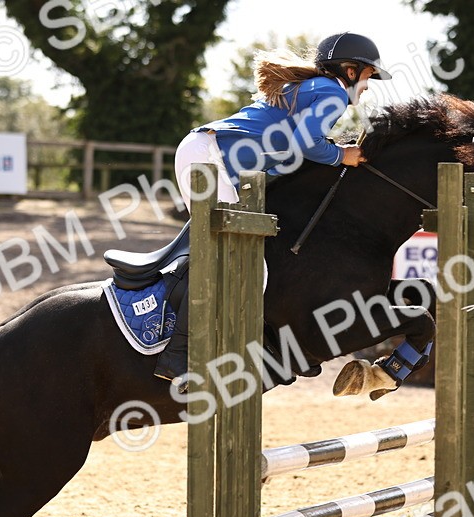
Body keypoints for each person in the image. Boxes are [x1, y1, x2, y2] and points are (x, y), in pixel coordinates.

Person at [157, 32, 391, 385]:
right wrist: (342, 154)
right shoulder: (331, 93)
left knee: (252, 262)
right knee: (238, 261)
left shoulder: (319, 89)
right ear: (350, 70)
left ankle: (278, 347)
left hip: (210, 156)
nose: (370, 85)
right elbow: (304, 144)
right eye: (370, 75)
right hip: (208, 160)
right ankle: (179, 354)